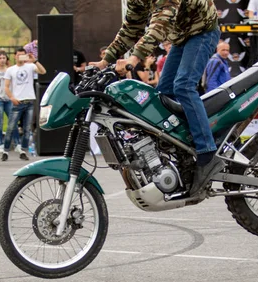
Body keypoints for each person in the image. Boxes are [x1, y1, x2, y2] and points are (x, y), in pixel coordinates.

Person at [91, 0, 221, 196]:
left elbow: (158, 27)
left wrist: (133, 60)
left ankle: (207, 153)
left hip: (202, 29)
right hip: (180, 36)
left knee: (184, 86)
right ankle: (179, 150)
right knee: (163, 93)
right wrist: (104, 61)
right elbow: (131, 29)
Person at [1, 48, 46, 162]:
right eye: (19, 55)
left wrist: (34, 60)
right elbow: (6, 86)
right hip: (17, 101)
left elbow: (43, 71)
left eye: (23, 55)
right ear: (15, 56)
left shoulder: (30, 66)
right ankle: (5, 150)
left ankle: (23, 150)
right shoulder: (10, 70)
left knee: (27, 128)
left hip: (29, 100)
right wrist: (12, 97)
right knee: (11, 127)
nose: (21, 58)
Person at [0, 50, 18, 151]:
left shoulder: (10, 71)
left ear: (6, 59)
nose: (2, 60)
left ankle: (17, 143)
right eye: (0, 58)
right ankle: (0, 144)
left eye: (4, 58)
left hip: (9, 98)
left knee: (13, 121)